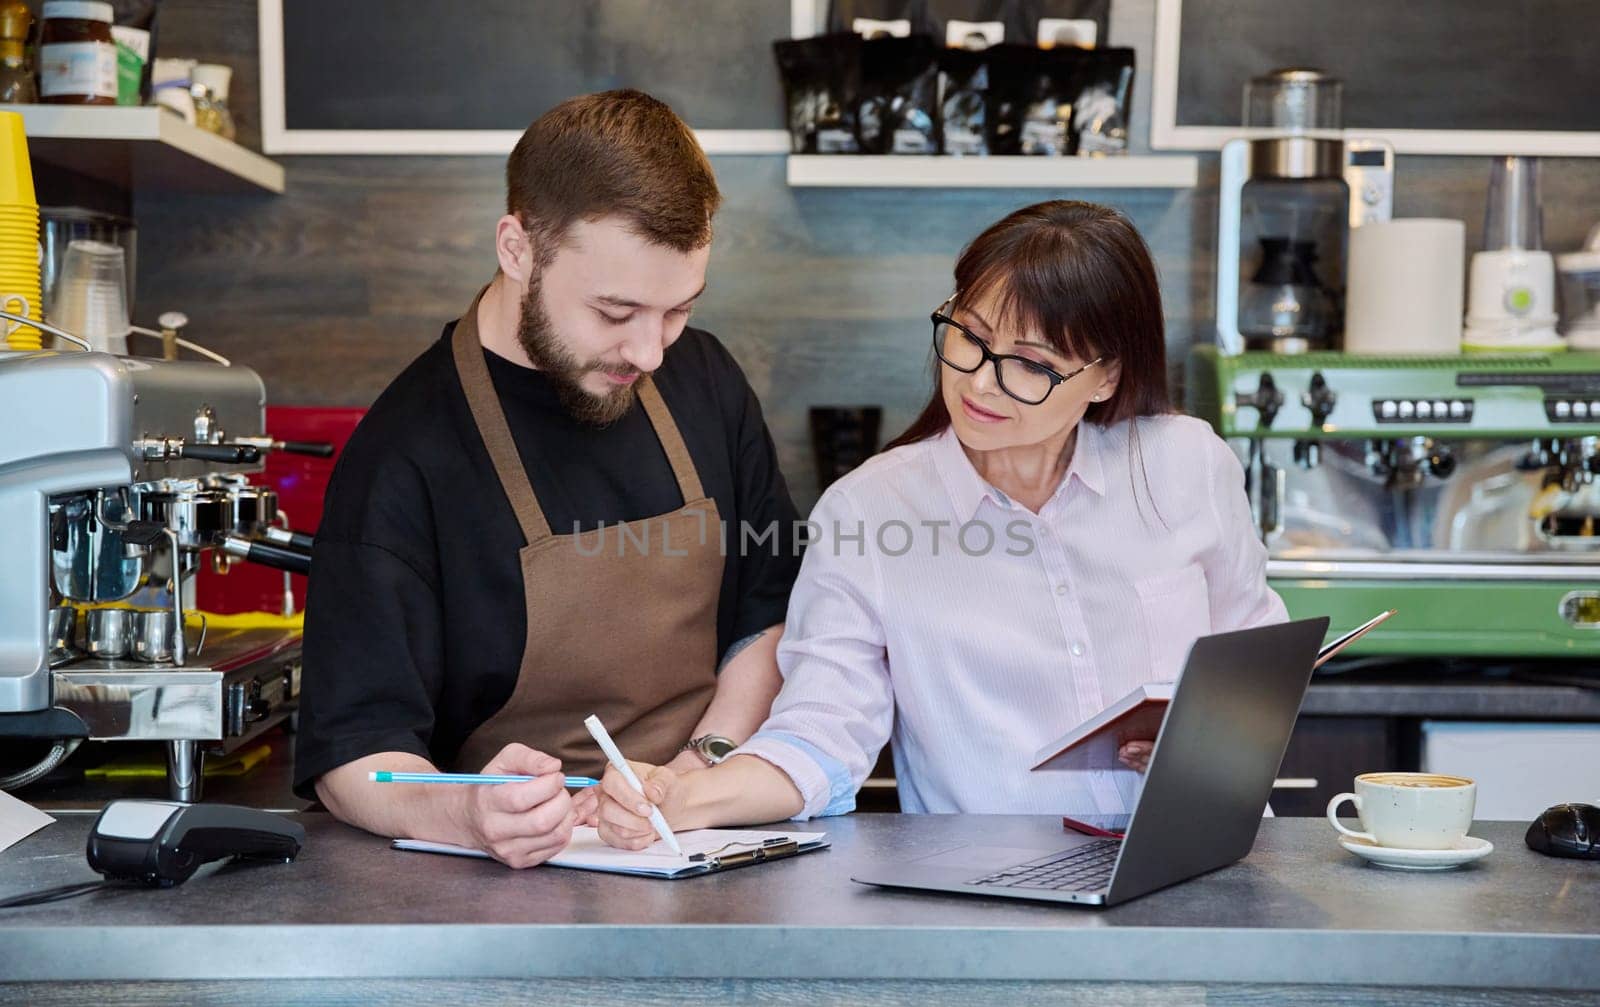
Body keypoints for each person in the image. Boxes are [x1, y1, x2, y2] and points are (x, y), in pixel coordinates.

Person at [595, 200, 1286, 849]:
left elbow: (1261, 663)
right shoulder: (869, 512)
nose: (980, 383)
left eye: (1032, 365)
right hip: (997, 889)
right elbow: (820, 734)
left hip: (1207, 856)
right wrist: (683, 798)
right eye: (972, 337)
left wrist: (1208, 732)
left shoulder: (1186, 463)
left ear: (1105, 377)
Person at [294, 90, 801, 868]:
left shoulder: (705, 379)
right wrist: (469, 817)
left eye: (678, 311)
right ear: (517, 248)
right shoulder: (404, 455)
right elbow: (353, 756)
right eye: (614, 310)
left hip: (709, 842)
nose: (650, 351)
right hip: (514, 884)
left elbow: (768, 616)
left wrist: (698, 768)